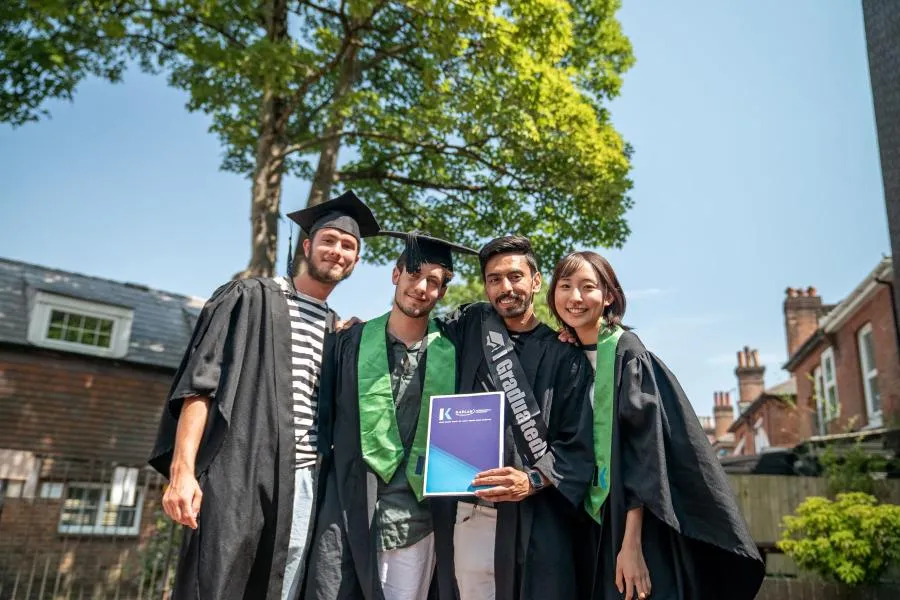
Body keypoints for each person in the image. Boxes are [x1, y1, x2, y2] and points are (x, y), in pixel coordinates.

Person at [148, 191, 380, 600]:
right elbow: (200, 386)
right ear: (307, 246)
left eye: (348, 246)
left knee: (281, 588)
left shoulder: (336, 330)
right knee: (216, 585)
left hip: (303, 481)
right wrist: (182, 472)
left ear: (356, 260)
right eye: (328, 240)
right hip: (237, 474)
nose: (337, 251)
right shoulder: (248, 297)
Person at [546, 250, 765, 600]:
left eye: (588, 287)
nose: (575, 297)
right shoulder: (565, 354)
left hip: (633, 518)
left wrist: (632, 544)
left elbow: (645, 452)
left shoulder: (627, 353)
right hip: (585, 519)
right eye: (565, 286)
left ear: (609, 296)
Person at [304, 232, 477, 600]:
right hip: (347, 513)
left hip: (416, 523)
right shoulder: (347, 343)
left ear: (442, 292)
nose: (422, 287)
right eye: (414, 274)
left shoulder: (455, 349)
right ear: (396, 274)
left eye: (434, 281)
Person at [431, 235, 595, 600]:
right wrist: (359, 327)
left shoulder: (565, 355)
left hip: (540, 516)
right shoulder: (471, 326)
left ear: (536, 281)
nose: (505, 287)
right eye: (494, 279)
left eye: (515, 276)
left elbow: (580, 443)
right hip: (473, 512)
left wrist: (533, 479)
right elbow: (413, 331)